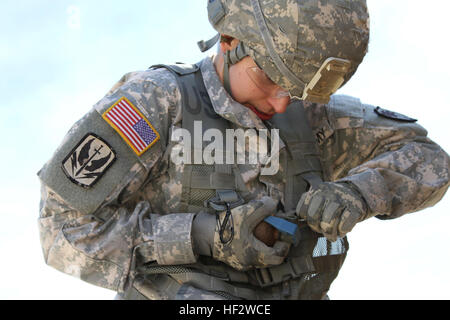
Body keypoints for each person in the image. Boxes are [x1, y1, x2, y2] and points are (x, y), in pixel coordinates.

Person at [37, 0, 449, 300]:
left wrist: (358, 193)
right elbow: (62, 231)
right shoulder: (155, 103)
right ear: (231, 39)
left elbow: (430, 160)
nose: (284, 103)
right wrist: (201, 236)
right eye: (271, 78)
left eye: (300, 88)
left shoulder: (314, 116)